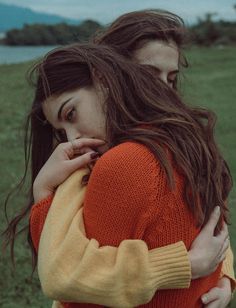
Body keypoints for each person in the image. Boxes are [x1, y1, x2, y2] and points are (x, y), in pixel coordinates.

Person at [28, 9, 235, 308]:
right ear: (110, 74)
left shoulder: (132, 161)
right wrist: (214, 272)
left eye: (171, 79)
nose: (165, 91)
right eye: (149, 75)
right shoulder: (178, 141)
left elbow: (70, 283)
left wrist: (220, 273)